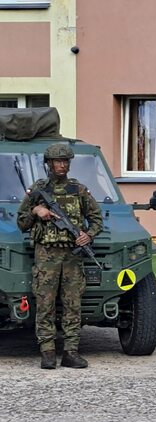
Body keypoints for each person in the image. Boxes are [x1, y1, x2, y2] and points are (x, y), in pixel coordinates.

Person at [17, 143, 102, 370]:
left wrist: (88, 235)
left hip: (72, 256)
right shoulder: (37, 191)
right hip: (46, 254)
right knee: (45, 303)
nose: (62, 165)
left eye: (65, 161)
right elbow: (21, 223)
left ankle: (71, 352)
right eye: (57, 161)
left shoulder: (79, 190)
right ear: (49, 164)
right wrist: (36, 211)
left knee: (73, 304)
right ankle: (47, 352)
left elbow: (97, 220)